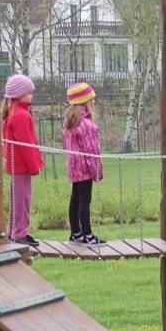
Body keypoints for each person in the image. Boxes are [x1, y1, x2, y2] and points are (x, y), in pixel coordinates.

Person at [2, 74, 44, 247]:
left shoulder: (14, 112)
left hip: (16, 166)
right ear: (20, 94)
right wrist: (34, 166)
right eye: (29, 92)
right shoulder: (21, 115)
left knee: (17, 199)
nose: (32, 95)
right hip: (22, 166)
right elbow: (26, 144)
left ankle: (14, 231)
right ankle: (20, 233)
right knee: (22, 200)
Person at [63, 82, 104, 245]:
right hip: (85, 168)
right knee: (85, 201)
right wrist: (97, 171)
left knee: (75, 199)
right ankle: (88, 234)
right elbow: (91, 150)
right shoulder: (86, 124)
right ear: (85, 101)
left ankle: (75, 232)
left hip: (74, 168)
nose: (94, 101)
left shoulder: (70, 121)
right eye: (91, 99)